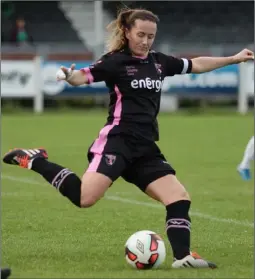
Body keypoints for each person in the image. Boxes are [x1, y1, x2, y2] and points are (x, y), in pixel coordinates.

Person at [3, 8, 254, 269]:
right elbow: (83, 76)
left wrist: (234, 59)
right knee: (84, 198)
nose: (145, 41)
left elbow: (196, 64)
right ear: (127, 32)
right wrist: (69, 76)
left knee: (179, 197)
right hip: (117, 141)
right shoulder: (115, 62)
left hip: (145, 147)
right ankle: (35, 160)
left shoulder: (158, 62)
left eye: (151, 36)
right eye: (141, 35)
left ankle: (183, 257)